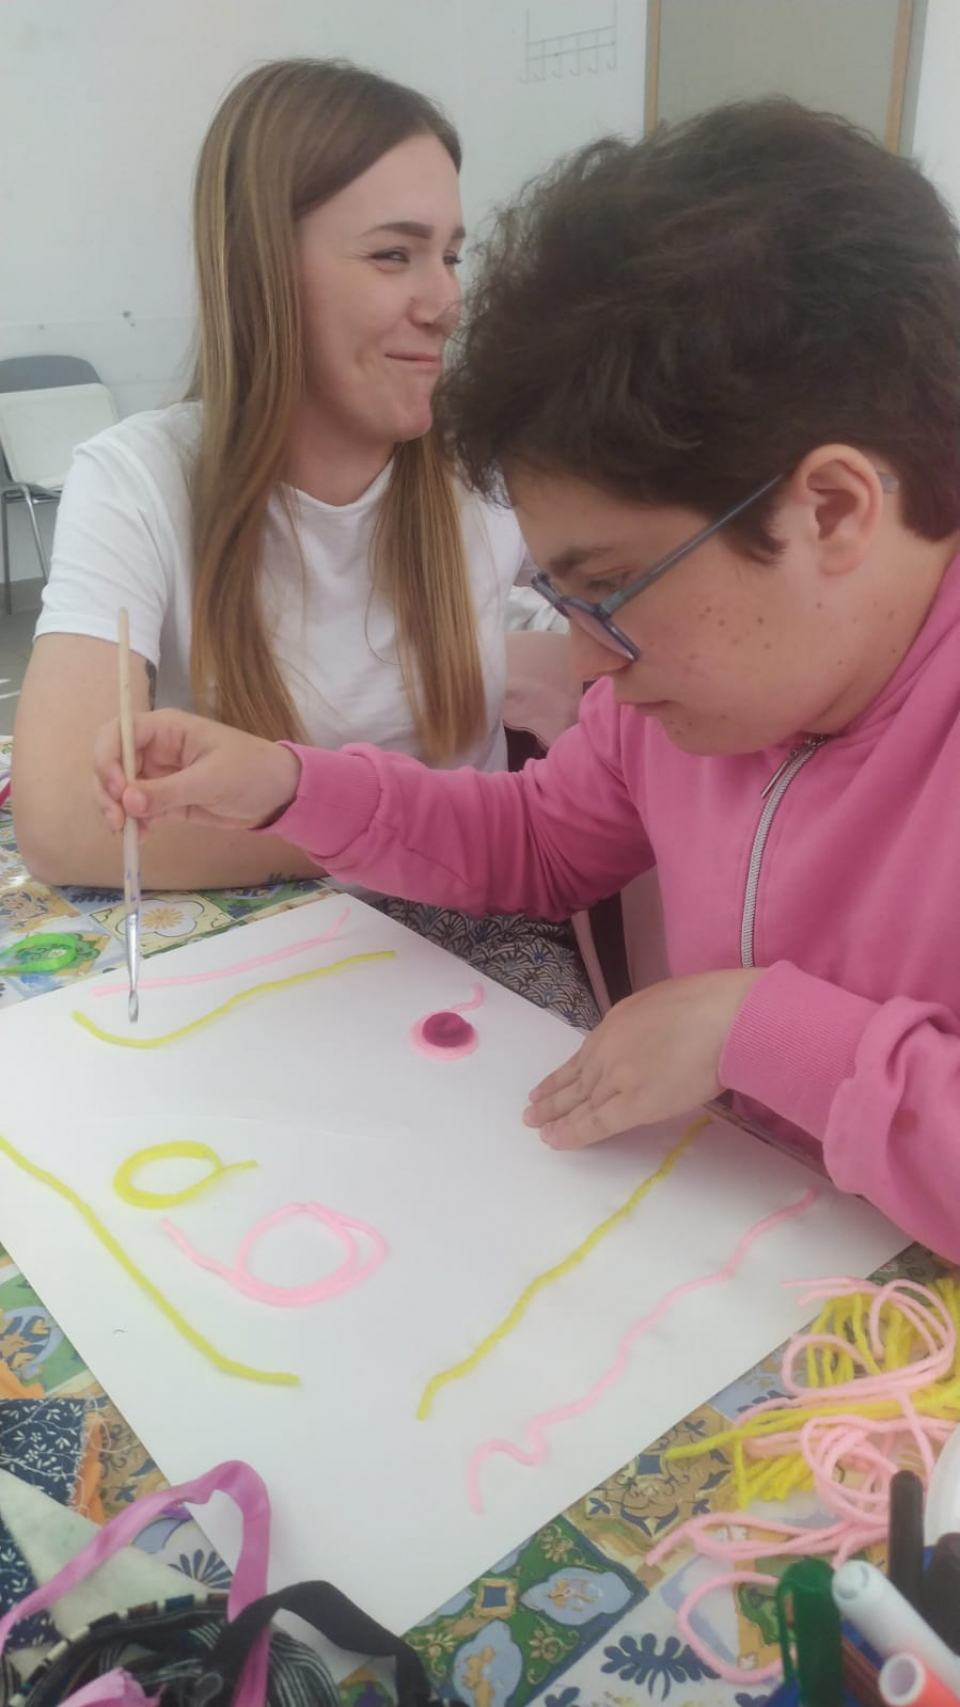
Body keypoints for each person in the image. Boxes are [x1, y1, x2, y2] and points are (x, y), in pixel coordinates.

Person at [94, 99, 960, 1258]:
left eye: (610, 588)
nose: (587, 663)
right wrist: (289, 787)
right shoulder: (688, 703)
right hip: (753, 1245)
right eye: (563, 599)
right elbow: (541, 842)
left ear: (834, 510)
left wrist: (761, 1031)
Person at [14, 58, 555, 893]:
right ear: (260, 272)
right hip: (271, 937)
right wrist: (405, 829)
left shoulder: (486, 464)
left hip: (468, 926)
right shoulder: (139, 482)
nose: (444, 302)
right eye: (393, 255)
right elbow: (63, 820)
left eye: (451, 255)